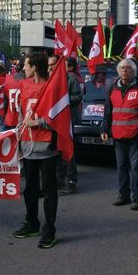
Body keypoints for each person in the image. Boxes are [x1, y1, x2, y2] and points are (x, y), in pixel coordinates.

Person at [12, 53, 58, 249]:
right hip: (28, 145)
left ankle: (50, 230)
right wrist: (18, 131)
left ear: (35, 67)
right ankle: (32, 223)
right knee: (29, 188)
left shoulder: (52, 87)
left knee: (48, 191)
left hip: (47, 147)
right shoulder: (24, 85)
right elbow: (21, 113)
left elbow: (58, 117)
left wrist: (38, 123)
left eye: (26, 65)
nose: (23, 68)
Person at [101, 58, 138, 210]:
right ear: (118, 71)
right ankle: (123, 195)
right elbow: (108, 112)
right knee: (121, 166)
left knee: (136, 167)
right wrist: (104, 129)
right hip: (118, 135)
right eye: (122, 68)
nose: (125, 70)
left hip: (136, 135)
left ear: (133, 71)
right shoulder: (112, 88)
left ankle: (137, 197)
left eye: (128, 68)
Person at [50, 55, 82, 195]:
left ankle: (71, 181)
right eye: (49, 65)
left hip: (68, 120)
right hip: (54, 121)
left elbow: (78, 96)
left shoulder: (71, 78)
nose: (50, 67)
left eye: (52, 64)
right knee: (56, 151)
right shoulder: (49, 78)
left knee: (68, 151)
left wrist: (63, 100)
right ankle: (59, 178)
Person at [2, 57, 24, 131]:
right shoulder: (31, 81)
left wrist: (4, 115)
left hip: (10, 118)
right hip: (25, 120)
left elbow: (5, 101)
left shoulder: (8, 79)